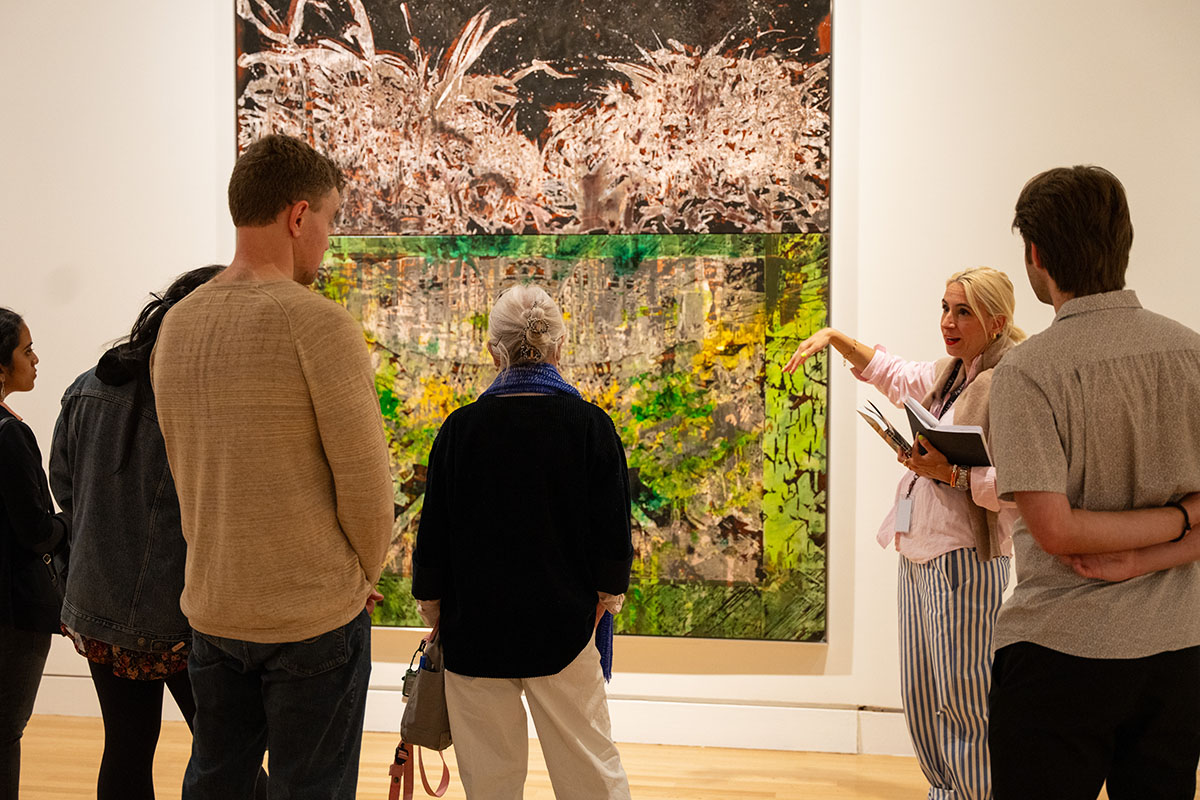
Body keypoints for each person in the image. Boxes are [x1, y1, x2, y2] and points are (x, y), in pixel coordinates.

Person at [150, 134, 394, 800]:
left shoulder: (177, 324)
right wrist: (360, 575)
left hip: (213, 608)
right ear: (297, 216)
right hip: (310, 618)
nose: (328, 239)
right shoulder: (318, 325)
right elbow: (370, 493)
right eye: (331, 219)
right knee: (308, 788)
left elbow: (186, 470)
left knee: (217, 782)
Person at [987, 165, 1200, 800]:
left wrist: (1143, 546)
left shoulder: (1028, 373)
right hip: (1179, 647)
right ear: (1124, 240)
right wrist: (1181, 524)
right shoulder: (1191, 355)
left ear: (1036, 255)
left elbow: (1056, 530)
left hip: (1061, 649)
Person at [785, 266, 1024, 800]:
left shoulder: (1008, 383)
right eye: (945, 308)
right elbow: (893, 373)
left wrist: (954, 474)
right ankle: (946, 793)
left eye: (963, 311)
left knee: (964, 700)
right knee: (921, 699)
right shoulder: (949, 374)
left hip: (967, 560)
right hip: (917, 555)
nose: (948, 321)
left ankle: (976, 795)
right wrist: (835, 337)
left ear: (997, 321)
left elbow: (1020, 483)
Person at [49, 266, 266, 800]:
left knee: (127, 745)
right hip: (180, 617)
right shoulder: (200, 403)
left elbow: (66, 488)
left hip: (96, 607)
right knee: (225, 753)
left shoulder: (85, 388)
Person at [412, 284, 634, 800]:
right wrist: (606, 598)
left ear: (493, 351)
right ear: (560, 346)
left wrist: (433, 608)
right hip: (567, 630)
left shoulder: (459, 430)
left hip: (475, 634)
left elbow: (434, 535)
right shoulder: (590, 427)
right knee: (591, 774)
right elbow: (612, 537)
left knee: (490, 782)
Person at [0, 309, 69, 800]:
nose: (36, 358)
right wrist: (72, 521)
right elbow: (36, 532)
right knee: (5, 731)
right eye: (26, 351)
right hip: (13, 609)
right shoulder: (8, 433)